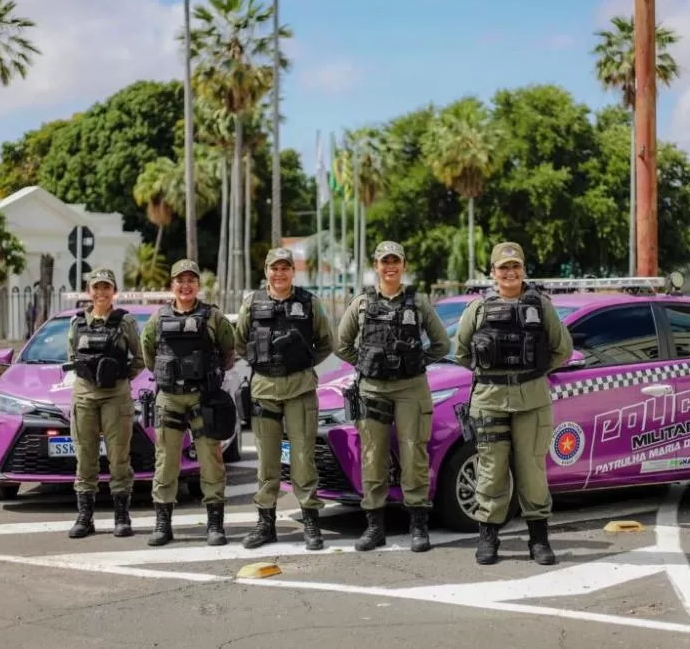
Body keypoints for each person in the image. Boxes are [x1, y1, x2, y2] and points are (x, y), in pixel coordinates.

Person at [453, 241, 573, 566]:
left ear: (523, 270)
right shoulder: (477, 310)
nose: (510, 272)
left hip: (532, 401)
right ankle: (488, 536)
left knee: (532, 470)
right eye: (503, 267)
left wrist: (532, 373)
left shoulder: (541, 307)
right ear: (493, 273)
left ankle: (539, 539)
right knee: (491, 470)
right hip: (489, 401)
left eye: (515, 266)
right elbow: (462, 351)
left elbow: (563, 348)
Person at [335, 241, 451, 552]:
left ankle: (418, 526)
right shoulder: (361, 303)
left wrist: (416, 362)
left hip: (411, 387)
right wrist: (365, 362)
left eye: (395, 261)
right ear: (376, 265)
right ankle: (375, 527)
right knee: (373, 455)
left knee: (414, 454)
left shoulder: (418, 303)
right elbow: (341, 344)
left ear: (403, 265)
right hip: (373, 388)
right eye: (384, 261)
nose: (390, 267)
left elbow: (442, 344)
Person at [236, 247, 335, 551]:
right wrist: (266, 365)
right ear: (266, 271)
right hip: (264, 390)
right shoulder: (252, 303)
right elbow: (240, 342)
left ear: (293, 271)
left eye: (285, 268)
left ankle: (310, 522)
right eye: (274, 268)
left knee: (303, 458)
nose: (279, 274)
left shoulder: (309, 303)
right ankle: (266, 524)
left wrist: (299, 363)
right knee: (267, 461)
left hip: (300, 390)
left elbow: (326, 342)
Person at [141, 259, 237, 547]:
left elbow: (228, 352)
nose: (185, 286)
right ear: (172, 285)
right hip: (169, 397)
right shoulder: (157, 319)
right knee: (166, 462)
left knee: (211, 460)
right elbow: (148, 355)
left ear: (198, 285)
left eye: (191, 280)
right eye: (180, 280)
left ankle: (215, 524)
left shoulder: (213, 318)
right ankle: (162, 524)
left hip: (203, 397)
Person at [66, 268, 145, 539]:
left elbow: (140, 357)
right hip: (85, 396)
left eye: (106, 287)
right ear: (89, 291)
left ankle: (122, 517)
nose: (101, 292)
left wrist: (121, 377)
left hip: (116, 397)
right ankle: (85, 518)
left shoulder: (125, 322)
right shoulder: (77, 323)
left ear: (114, 291)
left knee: (118, 457)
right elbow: (72, 357)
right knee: (85, 457)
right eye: (96, 287)